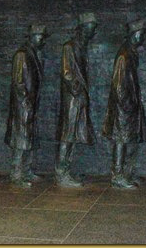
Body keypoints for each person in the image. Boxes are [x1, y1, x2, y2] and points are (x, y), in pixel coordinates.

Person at [102, 19, 146, 189]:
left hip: (129, 107)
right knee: (120, 141)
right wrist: (127, 105)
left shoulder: (130, 53)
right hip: (123, 109)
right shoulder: (124, 56)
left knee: (128, 140)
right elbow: (119, 85)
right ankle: (117, 176)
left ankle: (127, 173)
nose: (142, 37)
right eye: (141, 34)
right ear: (133, 35)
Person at [55, 12, 98, 187]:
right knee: (67, 134)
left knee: (72, 135)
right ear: (81, 29)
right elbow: (67, 73)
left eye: (92, 30)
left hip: (79, 97)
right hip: (72, 98)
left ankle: (67, 170)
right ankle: (61, 173)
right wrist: (77, 90)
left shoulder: (81, 46)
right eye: (89, 29)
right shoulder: (69, 46)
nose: (91, 33)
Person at [5, 25, 49, 188]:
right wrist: (26, 102)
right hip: (23, 106)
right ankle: (16, 174)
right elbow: (18, 82)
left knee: (29, 138)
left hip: (30, 104)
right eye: (40, 37)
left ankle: (27, 170)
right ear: (31, 36)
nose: (42, 40)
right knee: (21, 140)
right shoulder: (22, 54)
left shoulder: (33, 53)